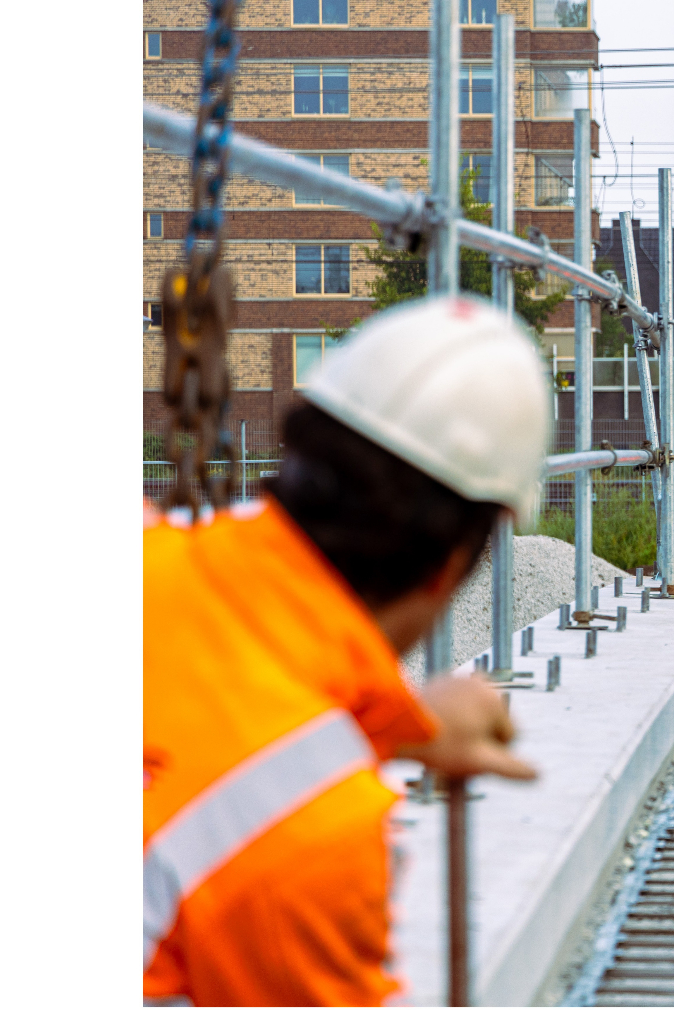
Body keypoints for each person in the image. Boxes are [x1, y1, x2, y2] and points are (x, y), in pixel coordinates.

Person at [144, 296, 547, 1006]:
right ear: (450, 566)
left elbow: (214, 716)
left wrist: (396, 719)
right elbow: (254, 779)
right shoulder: (314, 846)